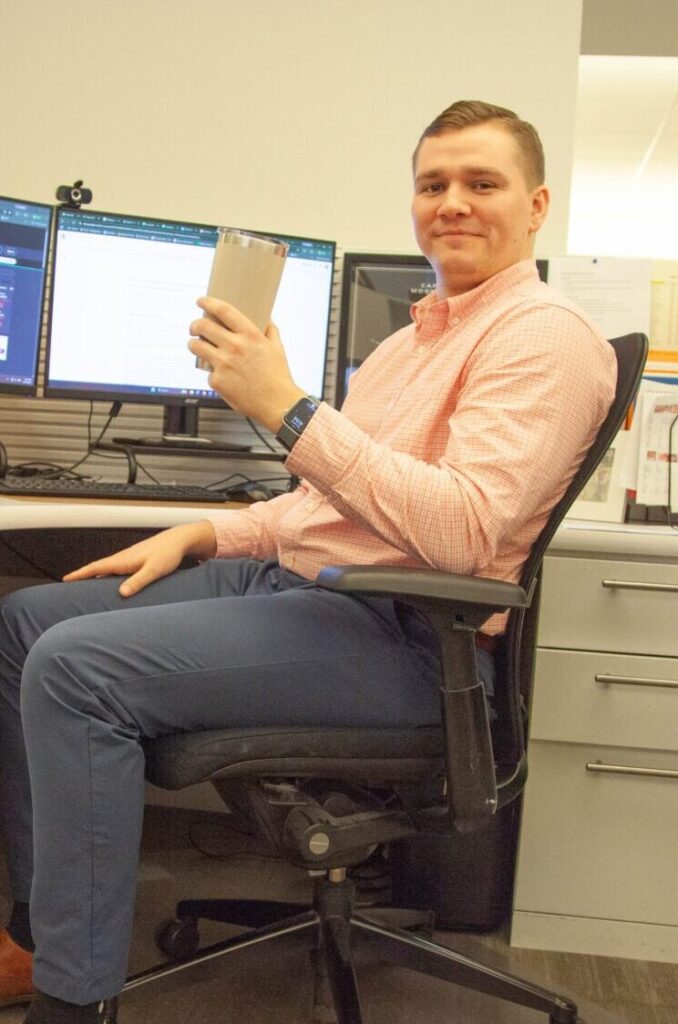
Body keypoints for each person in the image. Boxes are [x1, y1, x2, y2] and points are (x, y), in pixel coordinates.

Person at [0, 99, 616, 1023]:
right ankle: (40, 930)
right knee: (25, 622)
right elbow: (324, 507)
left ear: (534, 206)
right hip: (306, 589)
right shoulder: (412, 341)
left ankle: (71, 1002)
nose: (452, 202)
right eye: (433, 184)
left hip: (406, 638)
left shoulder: (546, 338)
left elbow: (462, 534)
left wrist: (286, 409)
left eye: (481, 184)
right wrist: (206, 533)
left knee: (77, 670)